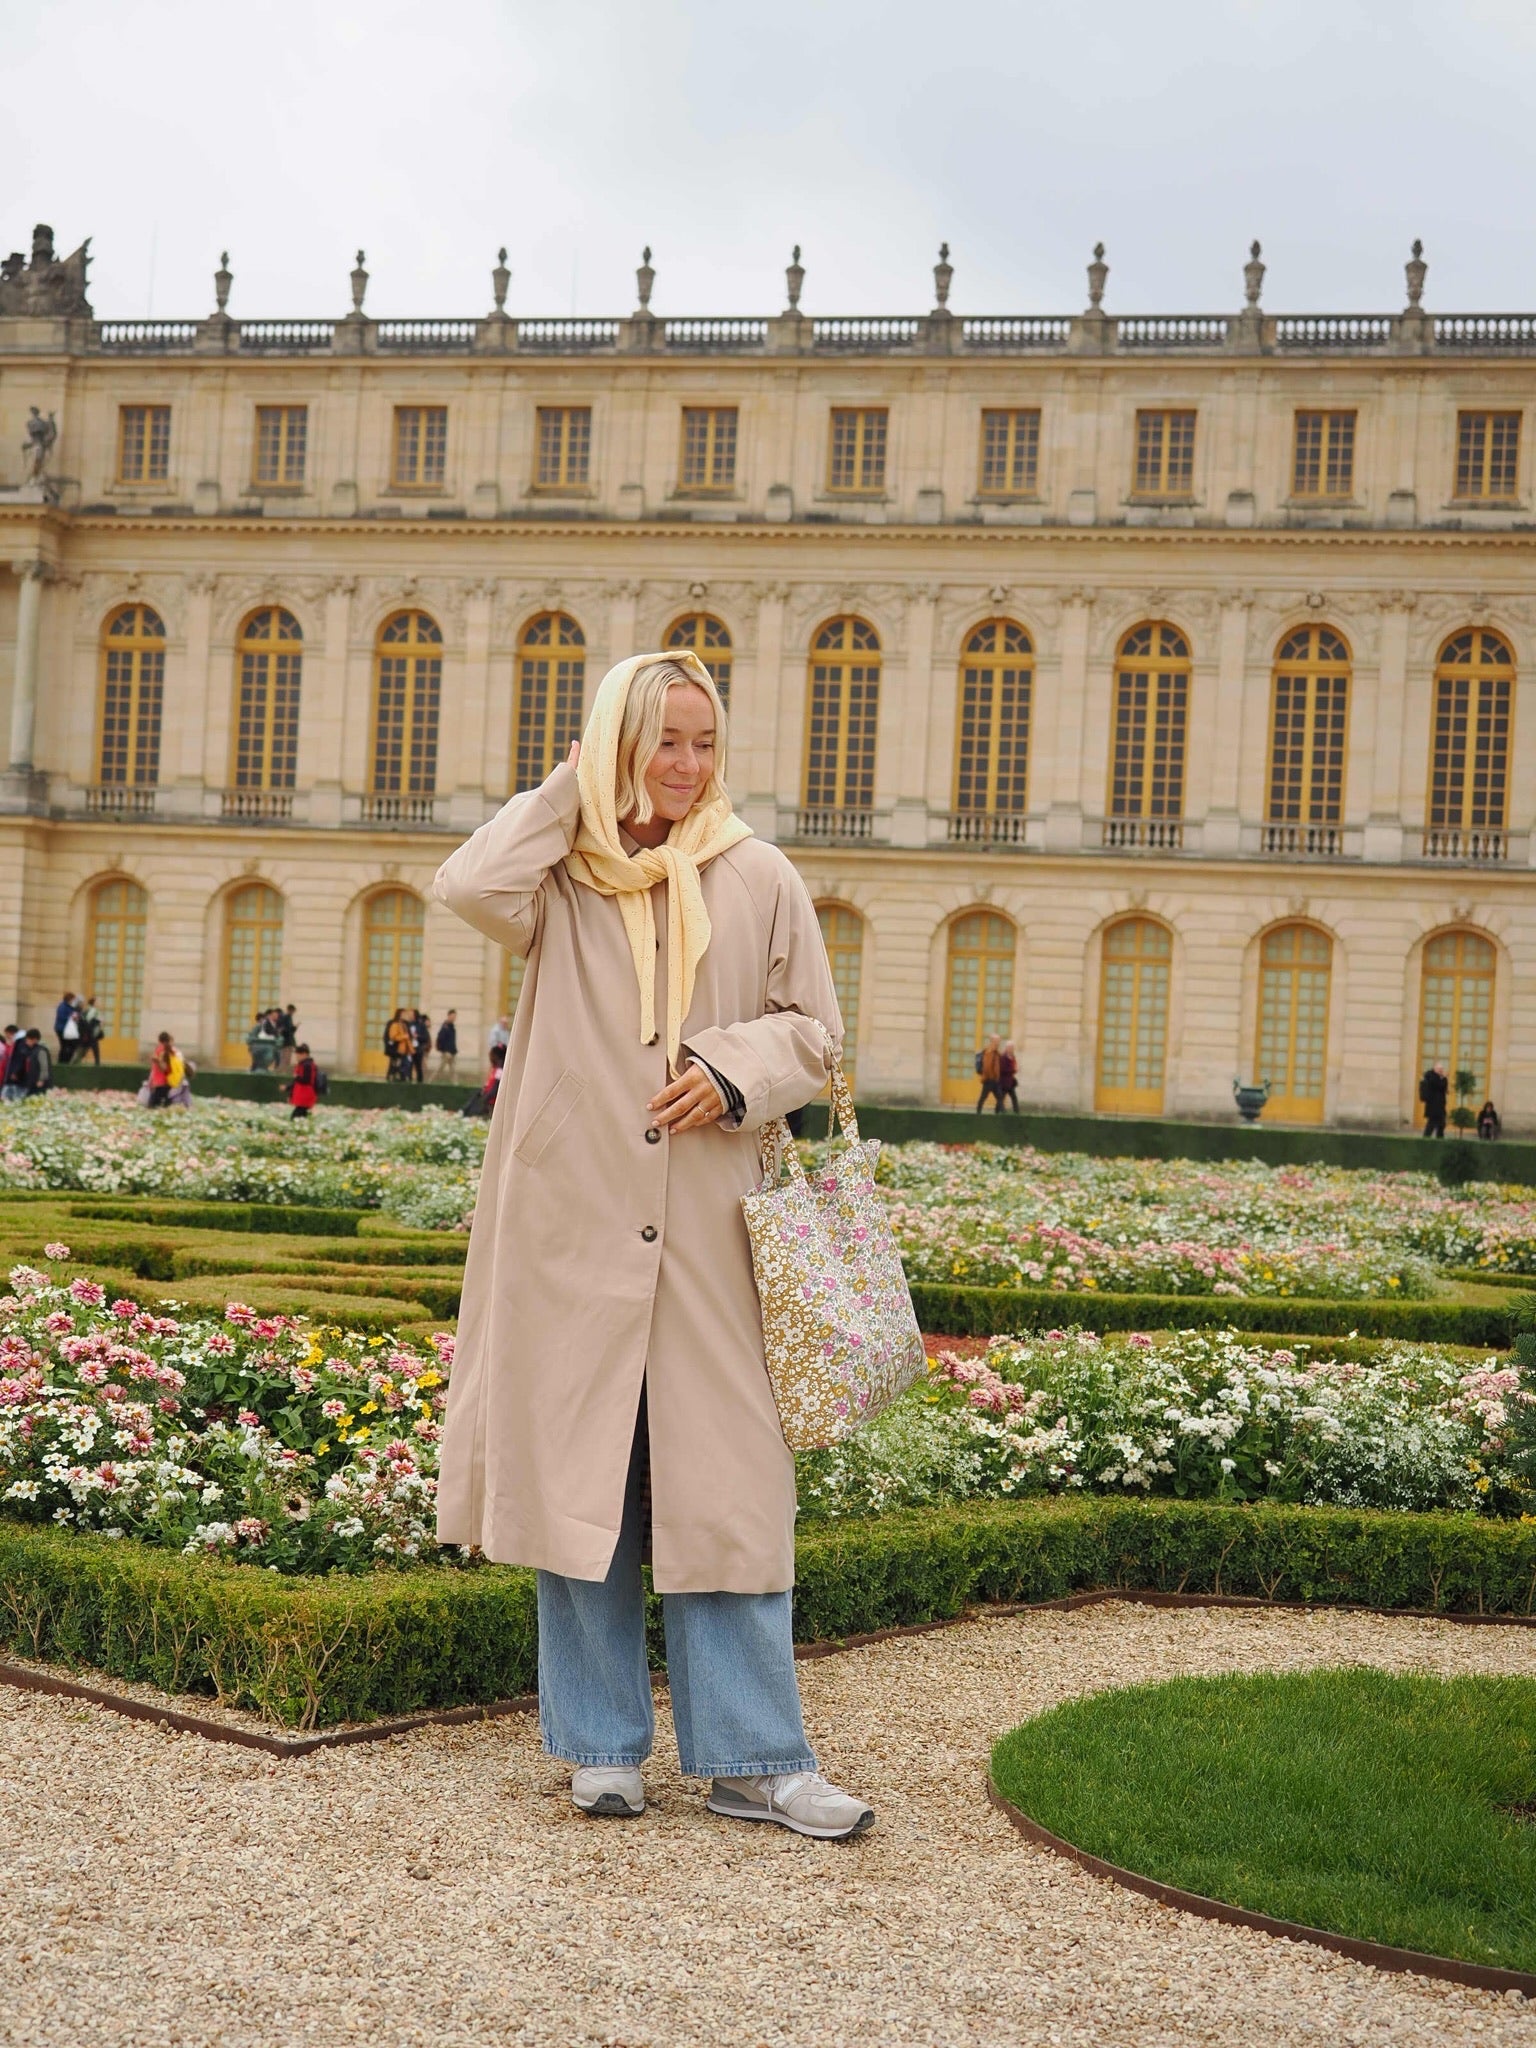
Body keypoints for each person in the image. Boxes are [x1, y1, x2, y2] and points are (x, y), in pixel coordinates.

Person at [433, 649, 874, 1841]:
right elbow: (468, 884)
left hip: (712, 1229)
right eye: (662, 739)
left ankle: (756, 1760)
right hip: (569, 1222)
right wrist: (569, 788)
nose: (685, 764)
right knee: (579, 1478)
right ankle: (600, 1745)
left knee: (728, 1486)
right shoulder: (559, 875)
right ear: (619, 742)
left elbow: (816, 1031)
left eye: (702, 741)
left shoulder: (758, 870)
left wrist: (731, 1070)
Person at [1419, 1060, 1449, 1139]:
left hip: (1438, 1106)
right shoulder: (1432, 1077)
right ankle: (1426, 1140)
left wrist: (1443, 1078)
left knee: (1441, 1124)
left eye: (1442, 1069)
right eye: (1440, 1069)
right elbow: (1441, 1086)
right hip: (1434, 1106)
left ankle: (1439, 1139)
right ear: (1435, 1069)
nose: (1441, 1071)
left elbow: (1443, 1088)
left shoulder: (1436, 1076)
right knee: (1431, 1124)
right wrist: (1444, 1078)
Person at [289, 1043, 319, 1120]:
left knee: (297, 1116)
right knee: (302, 1115)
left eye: (298, 1055)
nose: (297, 1057)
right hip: (303, 1095)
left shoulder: (307, 1065)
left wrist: (297, 1077)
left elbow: (307, 1080)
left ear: (304, 1054)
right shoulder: (304, 1064)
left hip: (305, 1095)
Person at [385, 1009, 414, 1082]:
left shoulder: (405, 1024)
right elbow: (392, 1036)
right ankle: (392, 1080)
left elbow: (409, 1036)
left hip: (405, 1050)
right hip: (396, 1049)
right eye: (404, 1014)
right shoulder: (394, 1024)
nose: (406, 1015)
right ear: (399, 1014)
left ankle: (402, 1080)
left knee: (405, 1066)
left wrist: (411, 1049)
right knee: (395, 1066)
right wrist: (404, 1037)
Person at [975, 1034, 1002, 1113]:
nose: (998, 1043)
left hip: (995, 1080)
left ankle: (998, 1113)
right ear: (992, 1041)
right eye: (997, 1041)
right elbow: (986, 1067)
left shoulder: (997, 1053)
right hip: (989, 1080)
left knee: (1000, 1098)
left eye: (999, 1041)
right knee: (983, 1097)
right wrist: (989, 1077)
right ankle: (978, 1113)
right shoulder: (988, 1052)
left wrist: (997, 1077)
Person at [997, 1040, 1021, 1113]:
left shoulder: (1013, 1057)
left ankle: (1017, 1113)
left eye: (1012, 1048)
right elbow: (1002, 1069)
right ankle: (998, 1112)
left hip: (1010, 1082)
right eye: (1010, 1047)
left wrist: (1015, 1069)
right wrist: (1013, 1070)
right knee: (1001, 1098)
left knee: (1014, 1098)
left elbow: (1013, 1066)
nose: (1011, 1049)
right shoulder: (1003, 1057)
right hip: (1004, 1082)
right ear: (1006, 1048)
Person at [435, 1010, 459, 1082]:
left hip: (452, 1051)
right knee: (440, 1068)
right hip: (446, 1052)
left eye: (455, 1016)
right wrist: (444, 1050)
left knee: (453, 1070)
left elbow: (452, 1040)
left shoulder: (452, 1027)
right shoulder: (445, 1026)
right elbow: (441, 1038)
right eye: (452, 1016)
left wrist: (454, 1050)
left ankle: (455, 1084)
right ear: (449, 1016)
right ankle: (431, 1081)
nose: (454, 1018)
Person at [78, 996, 102, 1065]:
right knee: (92, 1048)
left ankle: (97, 1063)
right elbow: (89, 1020)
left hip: (89, 1032)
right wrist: (99, 1021)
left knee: (87, 1048)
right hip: (91, 1032)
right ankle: (97, 1063)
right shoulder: (94, 1010)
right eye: (98, 1002)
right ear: (94, 1003)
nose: (99, 1003)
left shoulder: (89, 1009)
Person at [276, 1003, 299, 1074]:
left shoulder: (289, 1018)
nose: (293, 1013)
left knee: (287, 1059)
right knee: (284, 1058)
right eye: (293, 1011)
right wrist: (292, 1028)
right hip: (285, 1042)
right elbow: (284, 1030)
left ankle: (284, 1071)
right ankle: (281, 1072)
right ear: (290, 1010)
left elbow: (290, 1030)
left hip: (289, 1041)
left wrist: (295, 1027)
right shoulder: (284, 1017)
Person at [411, 1008, 431, 1084]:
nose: (429, 1023)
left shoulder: (421, 1026)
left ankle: (421, 1080)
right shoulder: (410, 1024)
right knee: (416, 1066)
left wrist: (418, 1037)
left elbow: (426, 1038)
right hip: (413, 1048)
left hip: (420, 1049)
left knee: (420, 1066)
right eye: (427, 1021)